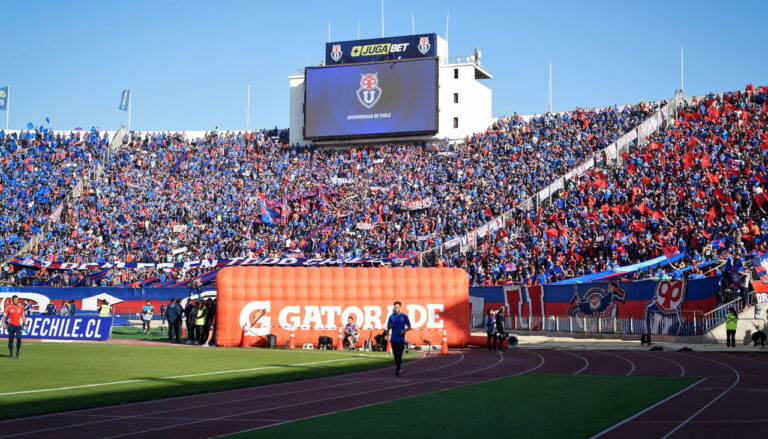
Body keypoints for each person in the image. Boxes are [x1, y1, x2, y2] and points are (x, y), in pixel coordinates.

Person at [386, 301, 411, 376]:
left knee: (399, 354)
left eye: (397, 307)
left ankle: (398, 368)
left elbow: (409, 327)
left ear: (400, 307)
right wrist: (390, 326)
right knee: (395, 355)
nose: (396, 309)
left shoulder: (404, 316)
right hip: (393, 339)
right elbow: (388, 327)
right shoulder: (391, 317)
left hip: (400, 339)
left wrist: (404, 331)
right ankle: (398, 367)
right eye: (395, 307)